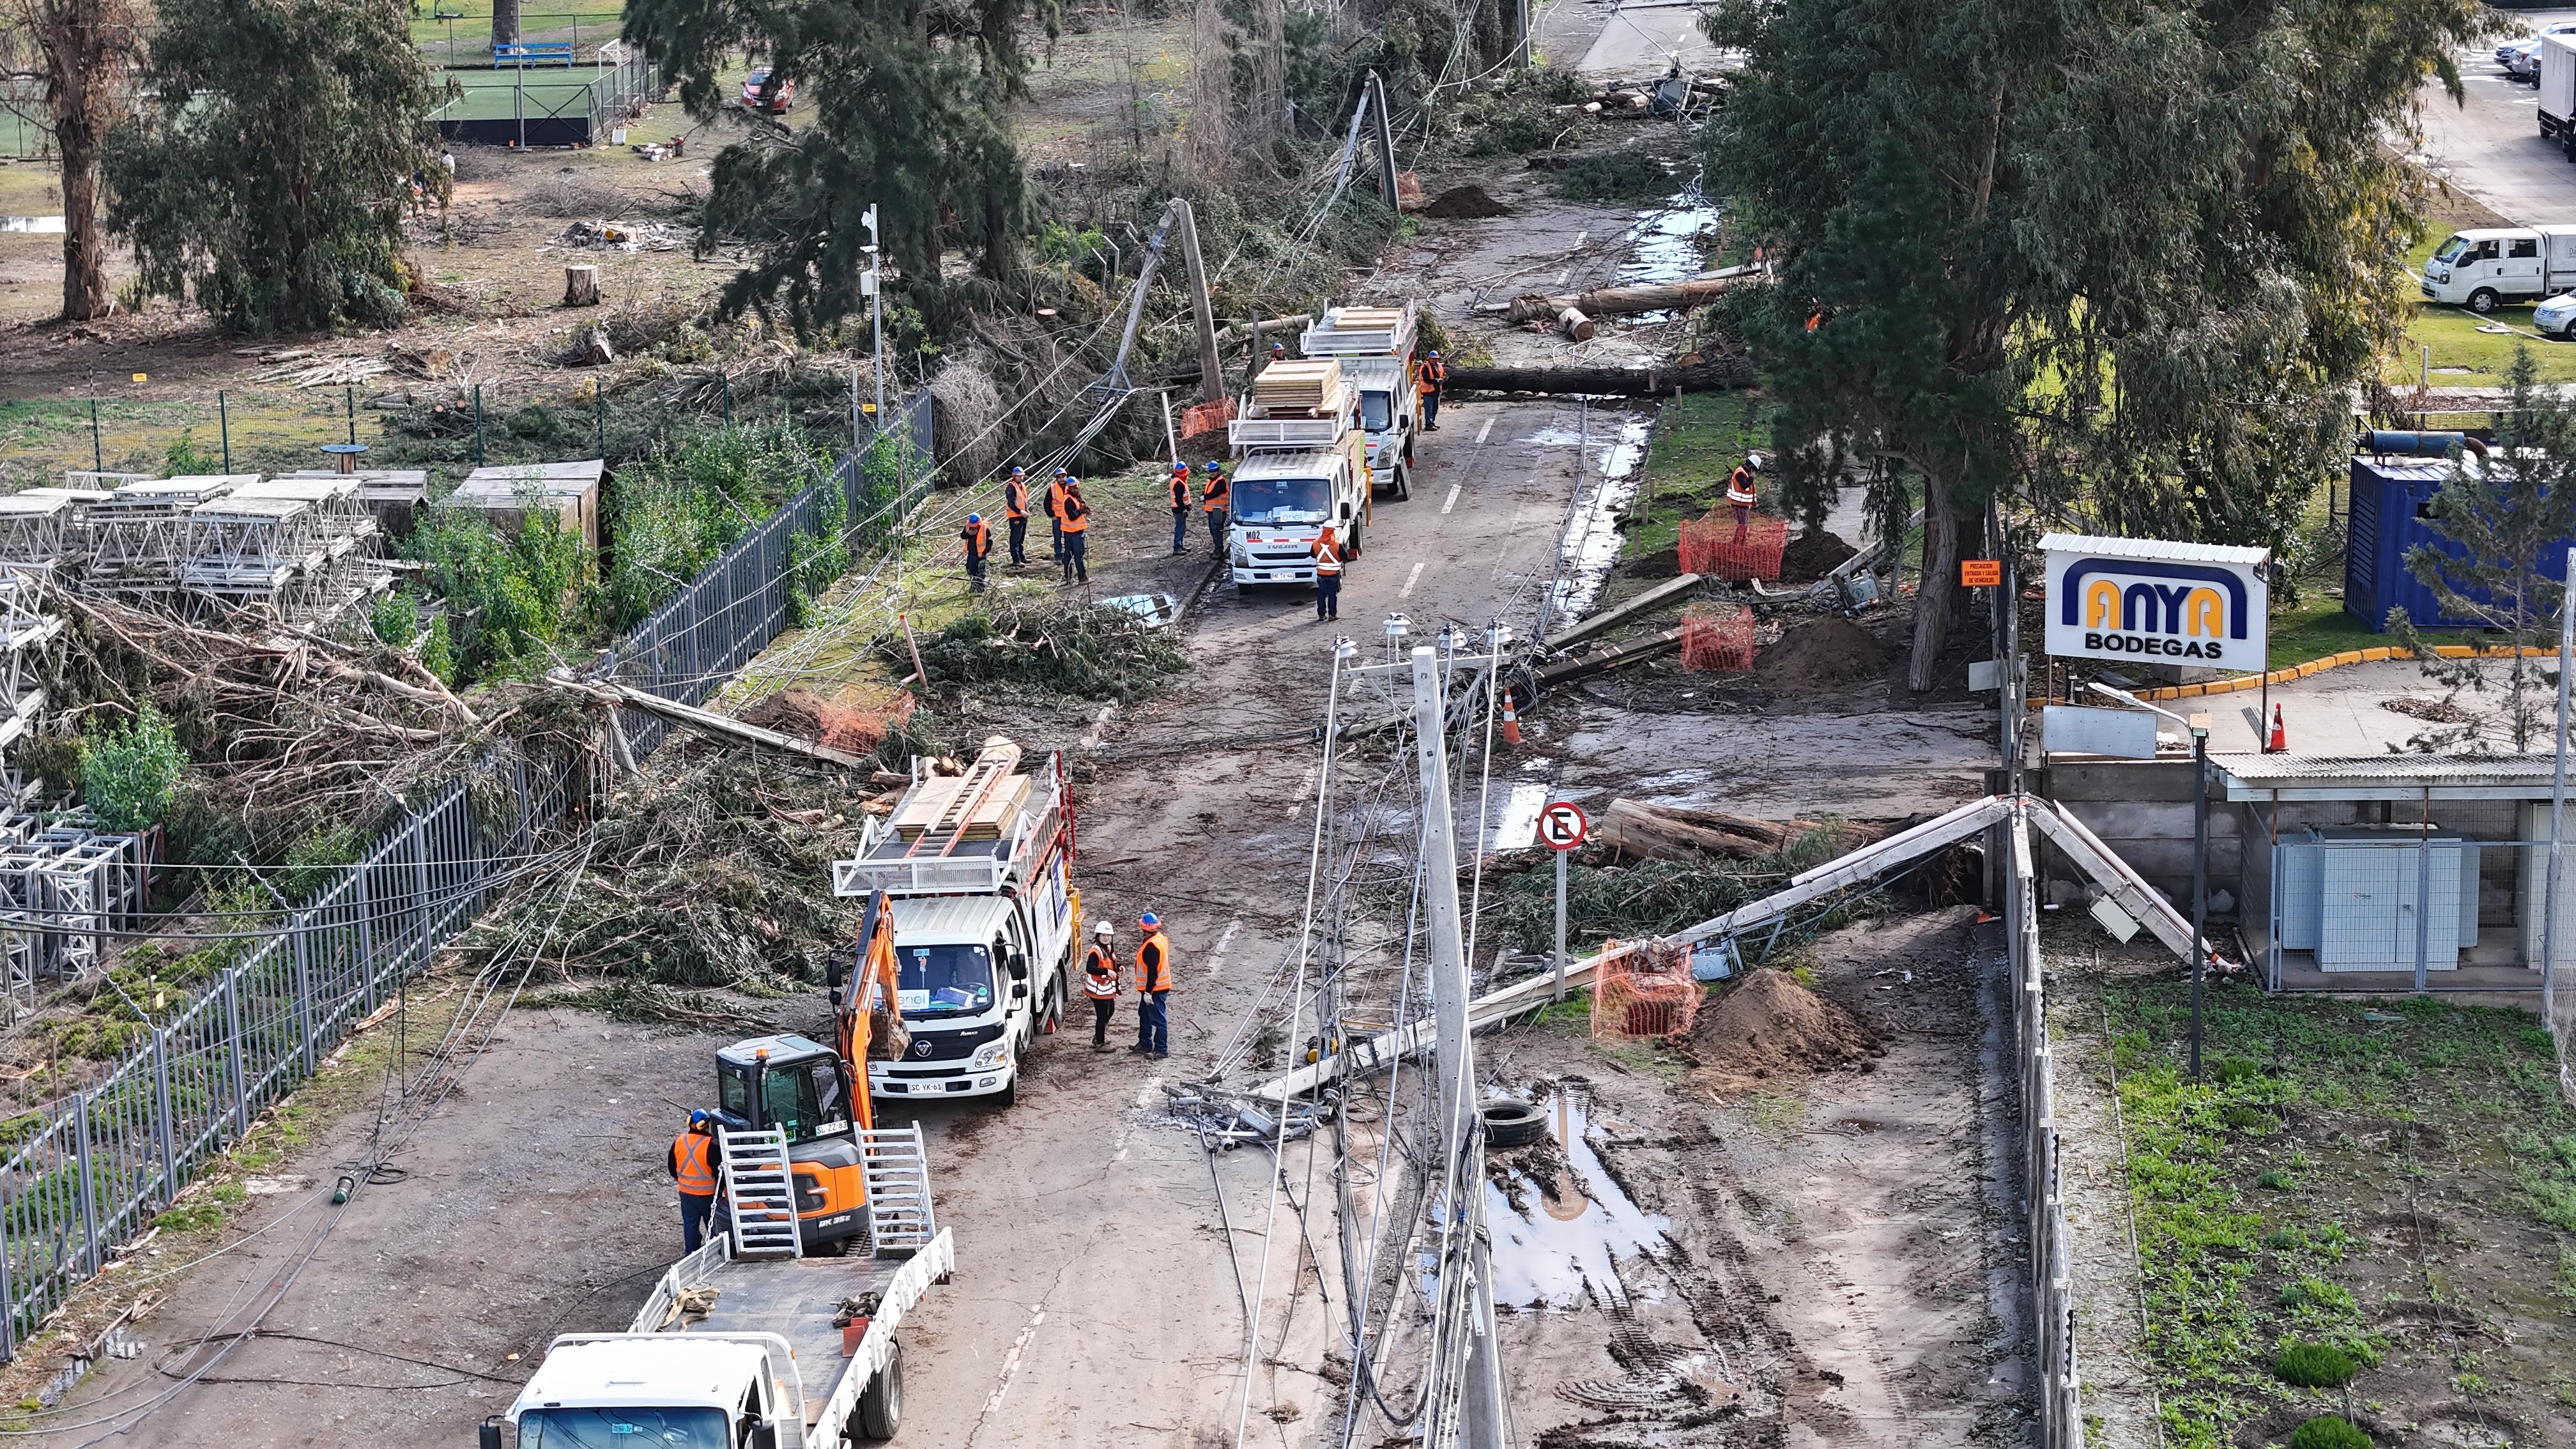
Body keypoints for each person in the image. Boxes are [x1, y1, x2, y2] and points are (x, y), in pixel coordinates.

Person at [669, 1110, 723, 1254]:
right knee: (712, 1225)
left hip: (686, 1193)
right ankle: (713, 1253)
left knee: (690, 1225)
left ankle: (691, 1254)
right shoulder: (711, 1145)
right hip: (708, 1194)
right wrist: (721, 1189)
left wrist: (684, 1181)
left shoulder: (679, 1141)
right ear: (705, 1125)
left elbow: (672, 1167)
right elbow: (718, 1171)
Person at [1131, 912, 1173, 1057]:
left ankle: (1161, 1049)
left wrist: (1148, 992)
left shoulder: (1151, 946)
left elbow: (1152, 972)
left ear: (1143, 928)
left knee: (1157, 1019)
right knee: (1144, 1014)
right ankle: (1145, 1043)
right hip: (1157, 987)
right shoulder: (1159, 939)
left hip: (1155, 989)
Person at [1082, 920, 1121, 1050]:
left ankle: (1099, 1037)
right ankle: (1100, 1043)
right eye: (1103, 935)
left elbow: (1110, 963)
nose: (1106, 938)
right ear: (1098, 936)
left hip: (1105, 989)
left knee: (1110, 1011)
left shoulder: (1108, 949)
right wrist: (1107, 972)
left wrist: (1118, 967)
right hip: (1098, 990)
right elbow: (1091, 968)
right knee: (1103, 1015)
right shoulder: (1095, 952)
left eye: (1108, 935)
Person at [1059, 481, 1091, 585]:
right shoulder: (1069, 500)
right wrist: (1081, 511)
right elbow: (1072, 516)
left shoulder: (1074, 498)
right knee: (1078, 555)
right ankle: (1082, 578)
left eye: (1077, 487)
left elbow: (1079, 507)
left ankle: (1069, 578)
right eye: (1073, 488)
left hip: (1071, 532)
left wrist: (1084, 509)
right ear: (1069, 488)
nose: (1076, 490)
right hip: (1074, 533)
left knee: (1069, 555)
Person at [1311, 525, 1342, 622]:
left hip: (1321, 574)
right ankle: (1332, 615)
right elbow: (1345, 555)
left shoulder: (1316, 543)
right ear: (1333, 531)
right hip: (1334, 574)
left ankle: (1321, 615)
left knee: (1321, 594)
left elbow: (1312, 555)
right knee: (1332, 594)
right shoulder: (1337, 544)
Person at [1002, 467, 1032, 566]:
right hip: (1015, 516)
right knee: (1015, 539)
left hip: (1023, 515)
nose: (1021, 477)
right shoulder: (1011, 487)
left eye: (1022, 475)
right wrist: (1021, 512)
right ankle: (1016, 559)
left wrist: (1027, 510)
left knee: (1021, 538)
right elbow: (1011, 503)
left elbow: (1024, 500)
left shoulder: (1022, 485)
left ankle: (1021, 556)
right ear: (1014, 476)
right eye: (1019, 476)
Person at [1725, 457, 1758, 544]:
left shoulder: (1744, 472)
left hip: (1743, 504)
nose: (1754, 472)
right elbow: (1744, 485)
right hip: (1739, 504)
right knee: (1743, 524)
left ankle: (1741, 542)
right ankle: (1737, 543)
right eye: (1754, 469)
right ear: (1751, 466)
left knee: (1744, 524)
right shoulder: (1740, 473)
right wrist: (1751, 478)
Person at [1201, 461, 1230, 556]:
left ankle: (1219, 551)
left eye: (1214, 471)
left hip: (1218, 512)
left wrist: (1204, 497)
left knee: (1217, 531)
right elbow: (1206, 492)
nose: (1212, 473)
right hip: (1212, 511)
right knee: (1214, 531)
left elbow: (1214, 493)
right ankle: (1217, 549)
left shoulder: (1221, 482)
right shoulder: (1211, 481)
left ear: (1218, 471)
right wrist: (1203, 496)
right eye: (1211, 471)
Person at [960, 512, 992, 593]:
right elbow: (962, 536)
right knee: (970, 569)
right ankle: (974, 584)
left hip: (981, 555)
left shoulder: (985, 528)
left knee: (981, 571)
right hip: (972, 554)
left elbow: (990, 541)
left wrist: (985, 551)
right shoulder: (968, 526)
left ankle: (980, 589)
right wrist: (969, 534)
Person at [1167, 461, 1193, 555]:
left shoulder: (1176, 480)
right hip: (1179, 509)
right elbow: (1179, 499)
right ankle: (1177, 548)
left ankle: (1180, 545)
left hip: (1177, 509)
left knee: (1182, 527)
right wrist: (1184, 509)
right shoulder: (1178, 483)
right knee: (1180, 528)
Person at [1418, 349, 1446, 431]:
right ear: (1429, 359)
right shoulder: (1425, 367)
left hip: (1436, 391)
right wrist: (1437, 380)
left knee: (1435, 408)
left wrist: (1444, 379)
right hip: (1428, 392)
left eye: (1436, 359)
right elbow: (1426, 379)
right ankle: (1428, 424)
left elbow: (1443, 375)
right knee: (1429, 408)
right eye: (1433, 359)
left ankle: (1432, 422)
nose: (1435, 360)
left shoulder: (1439, 366)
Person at [1045, 470, 1069, 562]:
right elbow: (1046, 504)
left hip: (1068, 517)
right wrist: (1052, 515)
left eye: (1063, 477)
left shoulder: (1071, 486)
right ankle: (1058, 555)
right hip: (1057, 517)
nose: (1061, 479)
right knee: (1057, 537)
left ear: (1066, 477)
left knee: (1068, 537)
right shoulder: (1052, 488)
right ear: (1056, 478)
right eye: (1059, 477)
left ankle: (1068, 555)